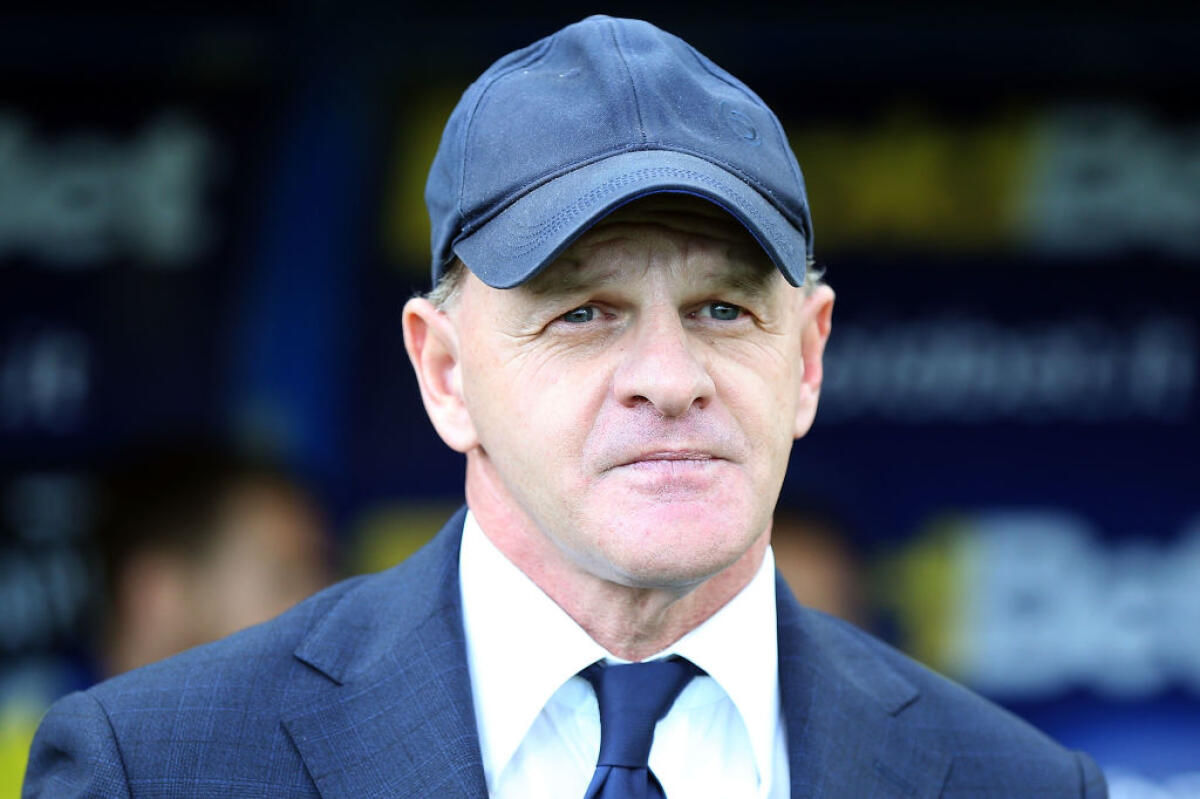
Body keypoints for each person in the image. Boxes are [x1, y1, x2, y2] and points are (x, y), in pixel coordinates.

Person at [24, 16, 1107, 798]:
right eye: (584, 312)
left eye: (725, 308)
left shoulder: (1014, 782)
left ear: (809, 359)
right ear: (444, 371)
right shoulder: (157, 766)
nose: (670, 374)